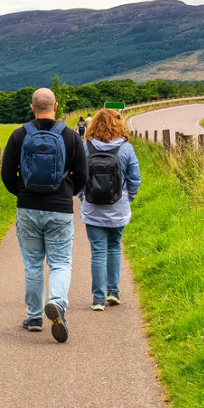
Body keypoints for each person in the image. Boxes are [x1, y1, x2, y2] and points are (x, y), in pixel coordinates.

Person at [0, 87, 87, 342]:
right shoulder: (70, 136)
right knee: (60, 262)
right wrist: (68, 192)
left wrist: (22, 192)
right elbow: (82, 174)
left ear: (31, 108)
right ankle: (57, 303)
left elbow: (7, 174)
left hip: (27, 207)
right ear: (56, 106)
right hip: (59, 207)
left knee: (33, 264)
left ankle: (34, 316)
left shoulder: (19, 135)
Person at [77, 107, 140, 311]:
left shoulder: (86, 148)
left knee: (97, 252)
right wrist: (126, 198)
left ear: (93, 124)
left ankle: (97, 299)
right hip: (118, 208)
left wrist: (82, 197)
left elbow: (78, 177)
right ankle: (113, 292)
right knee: (114, 247)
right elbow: (135, 179)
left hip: (93, 208)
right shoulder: (126, 149)